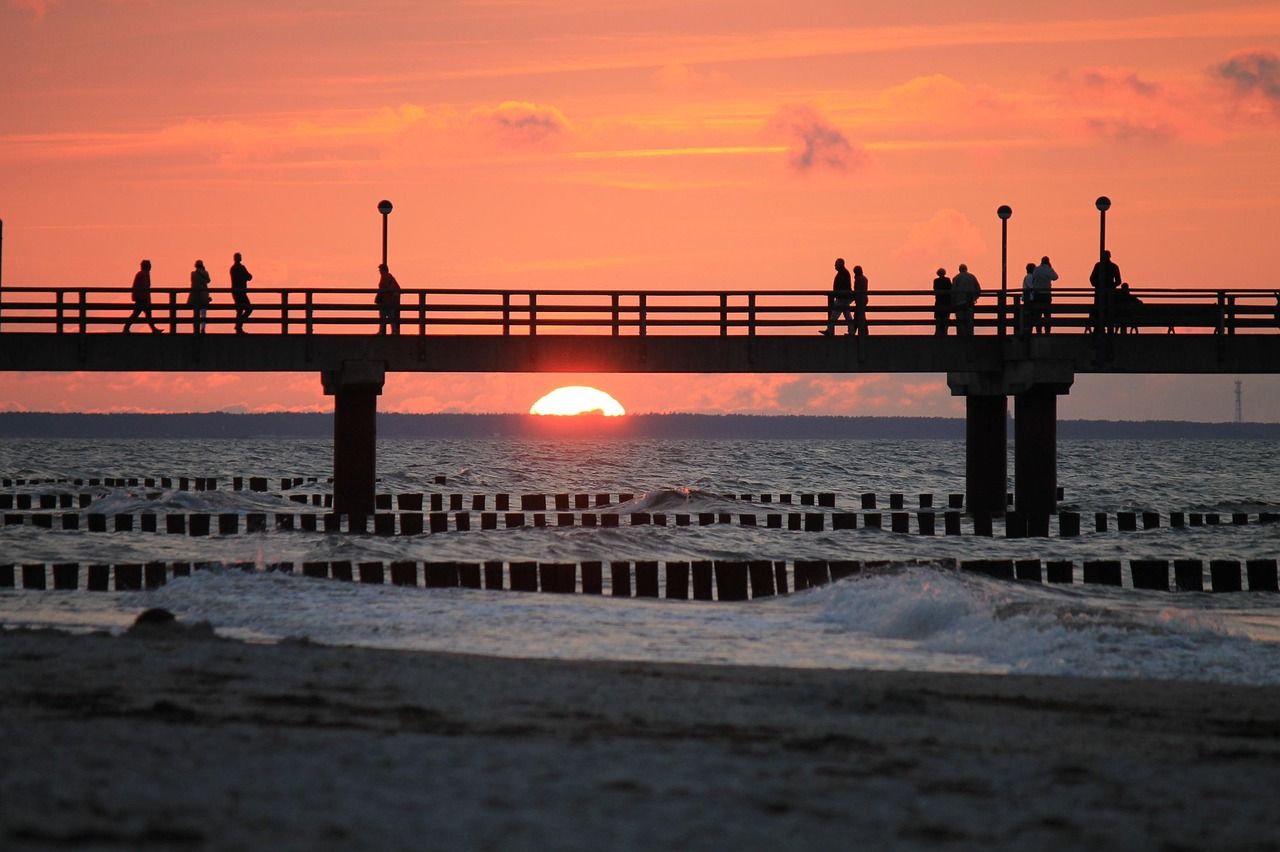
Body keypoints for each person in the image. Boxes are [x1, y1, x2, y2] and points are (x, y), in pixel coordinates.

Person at [123, 259, 161, 334]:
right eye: (149, 265)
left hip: (141, 298)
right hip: (142, 298)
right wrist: (145, 298)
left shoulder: (142, 274)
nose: (150, 267)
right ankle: (126, 328)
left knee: (141, 314)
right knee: (142, 314)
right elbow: (144, 287)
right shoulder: (143, 274)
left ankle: (153, 329)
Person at [1089, 249, 1121, 336]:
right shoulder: (1110, 266)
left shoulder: (1100, 266)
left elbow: (1092, 279)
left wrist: (1100, 285)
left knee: (1103, 311)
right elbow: (1118, 281)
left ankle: (1100, 329)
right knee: (1105, 311)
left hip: (1103, 294)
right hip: (1105, 294)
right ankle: (1102, 329)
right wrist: (1110, 286)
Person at [951, 263, 981, 336]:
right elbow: (978, 289)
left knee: (960, 320)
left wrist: (953, 302)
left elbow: (953, 291)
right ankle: (969, 336)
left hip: (959, 302)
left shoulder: (956, 278)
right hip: (969, 302)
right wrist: (974, 298)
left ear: (959, 270)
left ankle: (961, 336)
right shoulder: (972, 277)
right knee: (969, 321)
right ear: (966, 269)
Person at [1030, 256, 1058, 335]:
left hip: (1037, 295)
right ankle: (1047, 331)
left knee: (1037, 314)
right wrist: (1050, 267)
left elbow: (1033, 280)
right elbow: (1055, 277)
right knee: (1047, 314)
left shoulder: (1036, 269)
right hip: (1046, 295)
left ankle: (1038, 331)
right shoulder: (1049, 269)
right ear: (1048, 262)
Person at [230, 252, 253, 334]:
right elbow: (249, 277)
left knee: (239, 310)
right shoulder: (241, 267)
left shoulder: (232, 268)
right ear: (240, 258)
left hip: (235, 292)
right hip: (241, 292)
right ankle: (239, 326)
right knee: (249, 309)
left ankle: (238, 328)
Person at [375, 263, 401, 335]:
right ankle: (393, 331)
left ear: (383, 270)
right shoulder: (389, 277)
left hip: (386, 300)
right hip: (388, 300)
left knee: (384, 316)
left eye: (380, 270)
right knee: (390, 316)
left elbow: (386, 287)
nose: (379, 271)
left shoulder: (386, 277)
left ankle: (383, 331)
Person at [188, 259, 211, 334]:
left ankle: (195, 329)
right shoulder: (205, 273)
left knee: (195, 314)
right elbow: (209, 280)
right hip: (203, 295)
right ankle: (203, 329)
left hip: (195, 296)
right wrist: (204, 271)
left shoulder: (193, 274)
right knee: (203, 314)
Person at [932, 267, 951, 336]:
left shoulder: (936, 281)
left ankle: (938, 332)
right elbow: (950, 289)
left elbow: (935, 289)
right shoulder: (947, 280)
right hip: (946, 301)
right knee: (945, 317)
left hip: (939, 301)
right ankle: (945, 332)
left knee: (938, 318)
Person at [1020, 262, 1036, 336]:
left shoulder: (1027, 277)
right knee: (1030, 316)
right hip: (1029, 299)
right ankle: (1029, 331)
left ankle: (1028, 331)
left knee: (1028, 316)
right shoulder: (1030, 277)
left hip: (1027, 299)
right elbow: (1031, 287)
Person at [851, 264, 869, 336]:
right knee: (861, 316)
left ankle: (853, 332)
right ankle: (864, 332)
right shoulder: (864, 278)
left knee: (858, 316)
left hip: (860, 300)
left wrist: (853, 297)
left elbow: (857, 290)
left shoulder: (858, 279)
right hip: (864, 299)